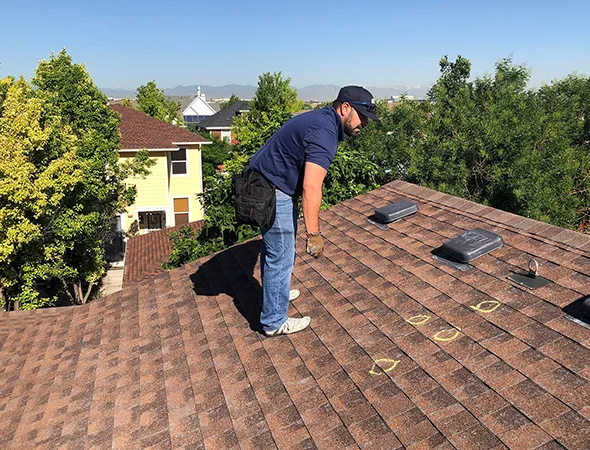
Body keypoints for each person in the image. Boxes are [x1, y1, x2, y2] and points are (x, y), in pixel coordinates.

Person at [248, 86, 379, 336]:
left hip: (265, 182)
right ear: (345, 108)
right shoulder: (325, 133)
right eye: (362, 116)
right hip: (273, 189)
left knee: (274, 249)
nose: (365, 123)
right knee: (282, 254)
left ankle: (277, 294)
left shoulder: (321, 119)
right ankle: (274, 321)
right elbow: (311, 186)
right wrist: (314, 234)